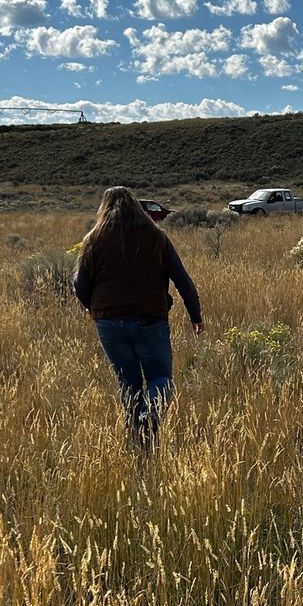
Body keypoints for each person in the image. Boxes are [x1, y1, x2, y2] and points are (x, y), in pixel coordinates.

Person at [73, 186, 203, 449]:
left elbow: (80, 284)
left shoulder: (94, 239)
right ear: (138, 208)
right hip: (150, 319)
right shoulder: (156, 237)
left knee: (128, 383)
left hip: (108, 322)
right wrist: (195, 315)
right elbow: (183, 280)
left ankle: (137, 439)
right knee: (160, 379)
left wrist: (94, 308)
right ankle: (149, 418)